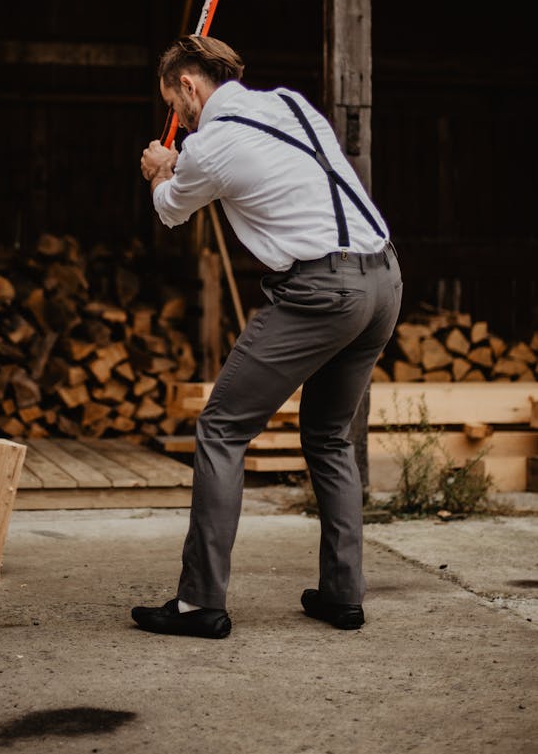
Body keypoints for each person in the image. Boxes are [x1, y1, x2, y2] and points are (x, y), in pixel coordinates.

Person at [132, 34, 402, 638]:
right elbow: (259, 168)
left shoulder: (212, 143)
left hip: (322, 290)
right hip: (384, 277)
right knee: (330, 436)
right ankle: (342, 595)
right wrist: (185, 162)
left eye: (173, 104)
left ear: (189, 87)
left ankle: (199, 603)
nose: (175, 118)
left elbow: (172, 209)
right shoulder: (292, 104)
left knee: (221, 429)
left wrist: (157, 170)